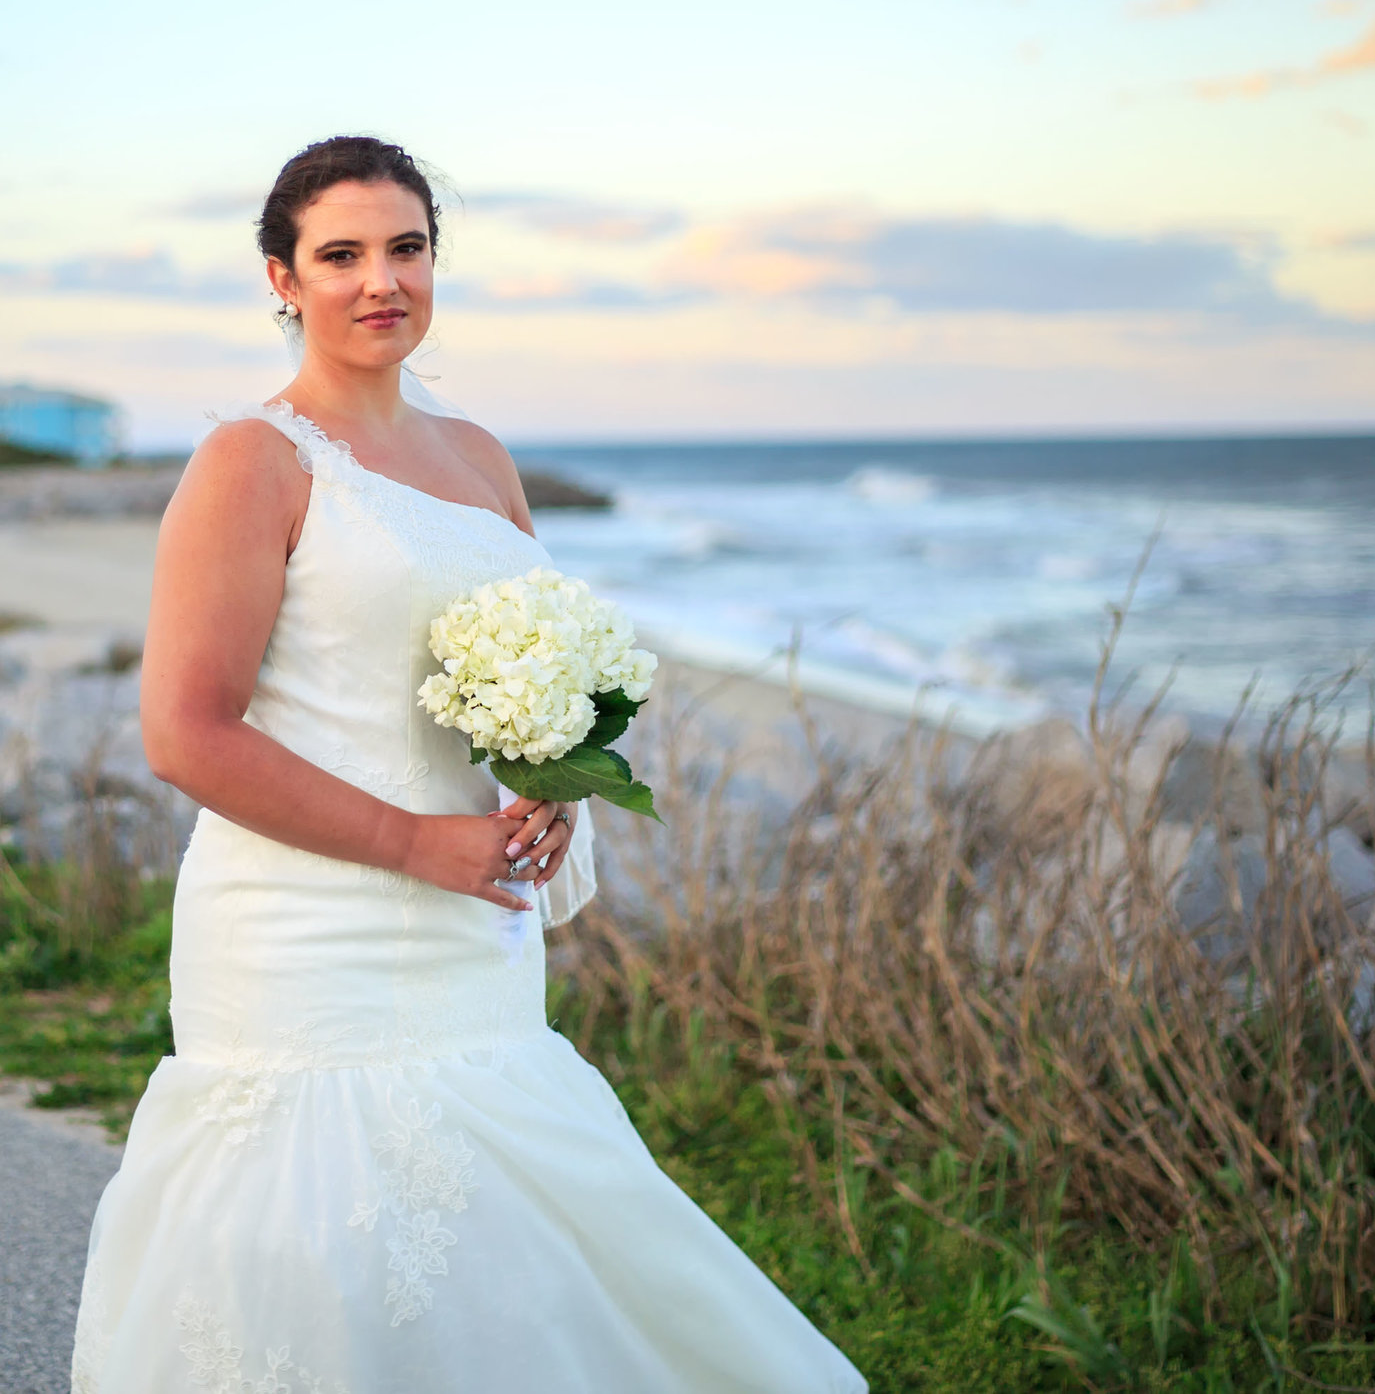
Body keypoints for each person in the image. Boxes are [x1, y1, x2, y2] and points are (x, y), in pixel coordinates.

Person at [69, 136, 865, 1391]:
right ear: (280, 277)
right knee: (321, 1259)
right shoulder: (251, 461)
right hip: (303, 930)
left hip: (474, 922)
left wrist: (552, 767)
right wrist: (409, 841)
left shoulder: (481, 458)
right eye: (340, 255)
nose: (379, 279)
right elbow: (187, 730)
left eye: (406, 247)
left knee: (507, 1253)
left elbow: (528, 657)